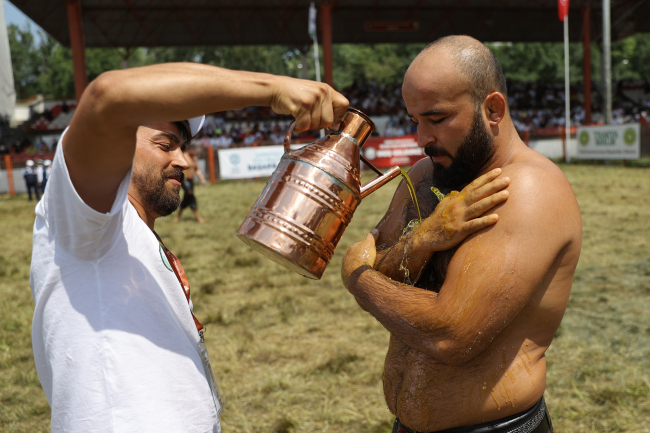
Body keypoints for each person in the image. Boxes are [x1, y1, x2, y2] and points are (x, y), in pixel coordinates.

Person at [30, 63, 348, 433]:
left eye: (183, 147)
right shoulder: (86, 223)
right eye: (164, 145)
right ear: (116, 145)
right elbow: (108, 95)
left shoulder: (126, 233)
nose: (182, 160)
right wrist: (272, 88)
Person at [341, 36, 582, 433]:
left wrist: (356, 277)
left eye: (436, 119)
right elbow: (387, 271)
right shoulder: (425, 174)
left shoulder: (527, 189)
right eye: (414, 120)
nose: (421, 138)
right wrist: (423, 239)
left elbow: (450, 335)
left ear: (492, 110)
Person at [175, 146, 207, 223]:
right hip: (184, 180)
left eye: (195, 151)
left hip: (190, 181)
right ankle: (198, 217)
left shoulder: (194, 158)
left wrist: (202, 178)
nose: (194, 152)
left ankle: (178, 217)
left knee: (187, 198)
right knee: (191, 195)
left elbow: (196, 169)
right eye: (193, 151)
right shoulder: (183, 156)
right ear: (189, 150)